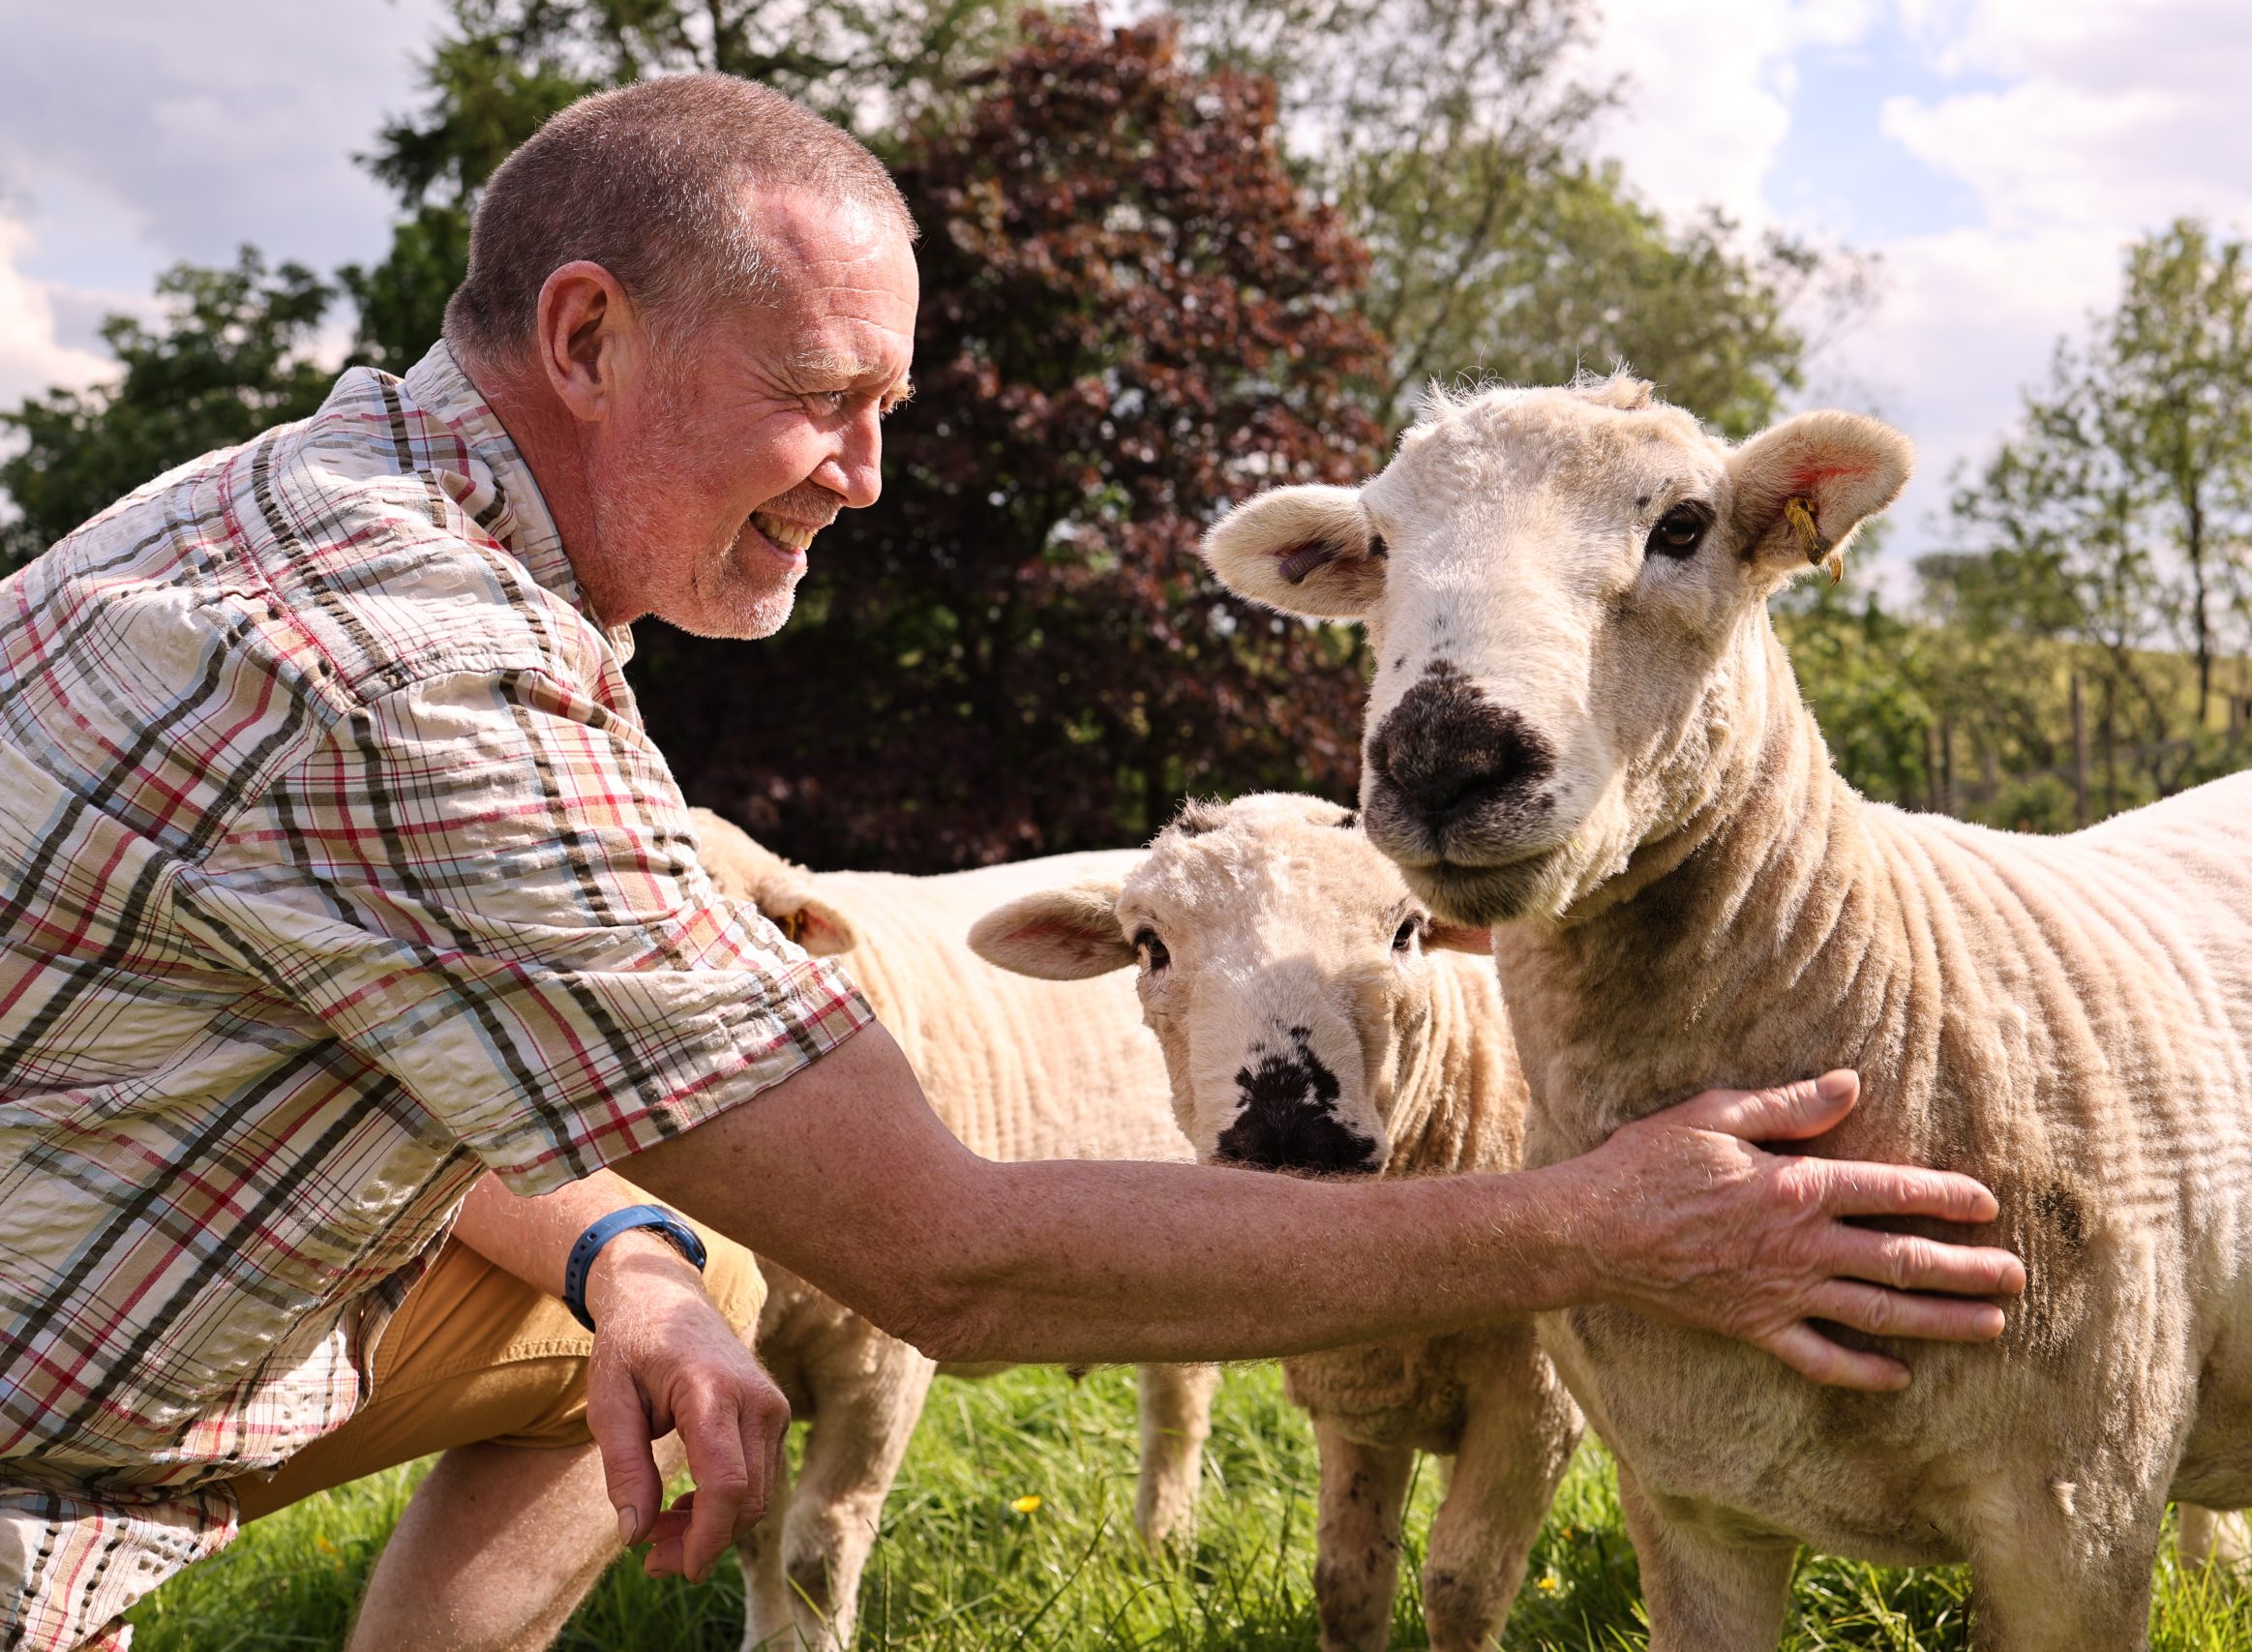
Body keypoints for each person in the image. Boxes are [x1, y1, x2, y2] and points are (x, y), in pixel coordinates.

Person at [0, 75, 2025, 1652]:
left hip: (123, 1318)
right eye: (817, 400)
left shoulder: (308, 510)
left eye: (885, 408)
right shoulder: (419, 677)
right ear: (589, 333)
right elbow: (944, 1258)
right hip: (41, 1463)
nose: (864, 478)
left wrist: (629, 1256)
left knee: (676, 1268)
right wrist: (1594, 1225)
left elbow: (398, 1002)